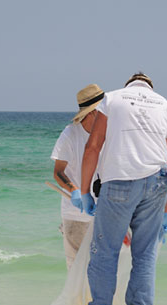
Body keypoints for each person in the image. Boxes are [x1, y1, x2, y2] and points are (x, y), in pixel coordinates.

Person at [63, 72, 167, 305]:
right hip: (157, 182)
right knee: (145, 254)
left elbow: (93, 146)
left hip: (120, 181)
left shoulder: (112, 99)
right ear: (150, 87)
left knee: (104, 253)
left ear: (129, 85)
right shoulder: (165, 105)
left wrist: (85, 190)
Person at [51, 84, 104, 270]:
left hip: (104, 215)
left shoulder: (109, 133)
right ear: (92, 112)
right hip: (75, 216)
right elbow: (58, 172)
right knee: (76, 271)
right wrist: (75, 192)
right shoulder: (70, 134)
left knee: (102, 270)